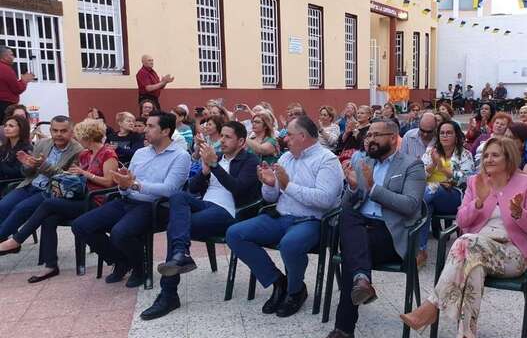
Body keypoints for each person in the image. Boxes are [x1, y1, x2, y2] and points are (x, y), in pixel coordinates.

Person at [400, 137, 527, 338]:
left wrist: (519, 213)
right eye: (486, 155)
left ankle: (432, 306)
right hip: (475, 250)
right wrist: (478, 202)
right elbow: (462, 221)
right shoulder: (476, 181)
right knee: (473, 266)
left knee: (465, 243)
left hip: (511, 253)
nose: (488, 159)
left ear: (508, 157)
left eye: (495, 155)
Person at [307, 120, 426, 338]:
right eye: (368, 135)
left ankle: (344, 330)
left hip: (389, 234)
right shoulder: (361, 161)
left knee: (351, 253)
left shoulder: (412, 165)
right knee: (348, 217)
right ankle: (361, 281)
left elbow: (411, 206)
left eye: (376, 135)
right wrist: (352, 189)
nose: (369, 140)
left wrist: (373, 189)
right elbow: (347, 204)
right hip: (359, 228)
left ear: (393, 138)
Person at [141, 121, 261, 320]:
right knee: (177, 197)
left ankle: (169, 294)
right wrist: (205, 172)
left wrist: (214, 166)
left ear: (241, 141)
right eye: (221, 136)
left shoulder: (250, 160)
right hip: (205, 205)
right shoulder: (217, 157)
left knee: (175, 227)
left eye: (228, 137)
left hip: (228, 212)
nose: (222, 140)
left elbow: (239, 189)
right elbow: (193, 188)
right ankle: (180, 254)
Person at [226, 116, 343, 318]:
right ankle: (278, 282)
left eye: (289, 135)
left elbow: (325, 200)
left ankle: (295, 291)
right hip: (280, 216)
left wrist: (288, 186)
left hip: (312, 221)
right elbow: (271, 197)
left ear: (302, 136)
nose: (284, 139)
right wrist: (269, 184)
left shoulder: (327, 160)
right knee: (235, 234)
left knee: (290, 244)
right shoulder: (286, 158)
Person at [71, 113, 190, 287]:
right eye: (146, 125)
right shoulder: (141, 153)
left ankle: (140, 268)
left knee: (120, 233)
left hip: (155, 206)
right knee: (81, 226)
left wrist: (135, 185)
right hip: (127, 200)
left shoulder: (180, 156)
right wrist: (124, 184)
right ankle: (121, 261)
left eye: (151, 126)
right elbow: (127, 182)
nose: (145, 130)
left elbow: (170, 189)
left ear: (165, 131)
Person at [0, 119, 118, 278]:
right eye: (55, 130)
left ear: (87, 137)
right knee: (49, 218)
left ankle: (16, 240)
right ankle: (51, 266)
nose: (77, 140)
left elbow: (109, 182)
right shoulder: (85, 154)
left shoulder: (106, 153)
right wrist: (31, 165)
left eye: (78, 136)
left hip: (96, 201)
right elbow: (70, 177)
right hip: (77, 196)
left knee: (46, 204)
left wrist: (85, 174)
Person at [0, 116, 82, 248]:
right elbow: (27, 173)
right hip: (30, 185)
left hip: (50, 191)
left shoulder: (78, 150)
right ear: (50, 130)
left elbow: (68, 179)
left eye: (63, 131)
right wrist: (28, 166)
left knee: (21, 209)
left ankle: (5, 242)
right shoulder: (42, 143)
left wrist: (43, 165)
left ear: (71, 132)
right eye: (55, 130)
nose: (58, 134)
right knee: (3, 206)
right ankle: (5, 242)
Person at [418, 120, 475, 264]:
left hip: (453, 196)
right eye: (442, 133)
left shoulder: (465, 154)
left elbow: (466, 178)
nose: (444, 136)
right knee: (426, 205)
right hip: (430, 196)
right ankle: (421, 250)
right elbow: (418, 176)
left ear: (456, 136)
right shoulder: (430, 152)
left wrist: (443, 168)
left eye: (449, 133)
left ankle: (414, 207)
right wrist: (433, 164)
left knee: (429, 193)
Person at [0, 46, 35, 116]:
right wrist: (24, 81)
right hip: (5, 104)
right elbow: (17, 89)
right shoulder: (5, 69)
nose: (14, 57)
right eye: (11, 55)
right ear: (4, 56)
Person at [0, 115, 32, 181]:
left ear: (21, 128)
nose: (6, 128)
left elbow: (17, 173)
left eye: (11, 126)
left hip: (11, 183)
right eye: (5, 126)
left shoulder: (26, 149)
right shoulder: (4, 147)